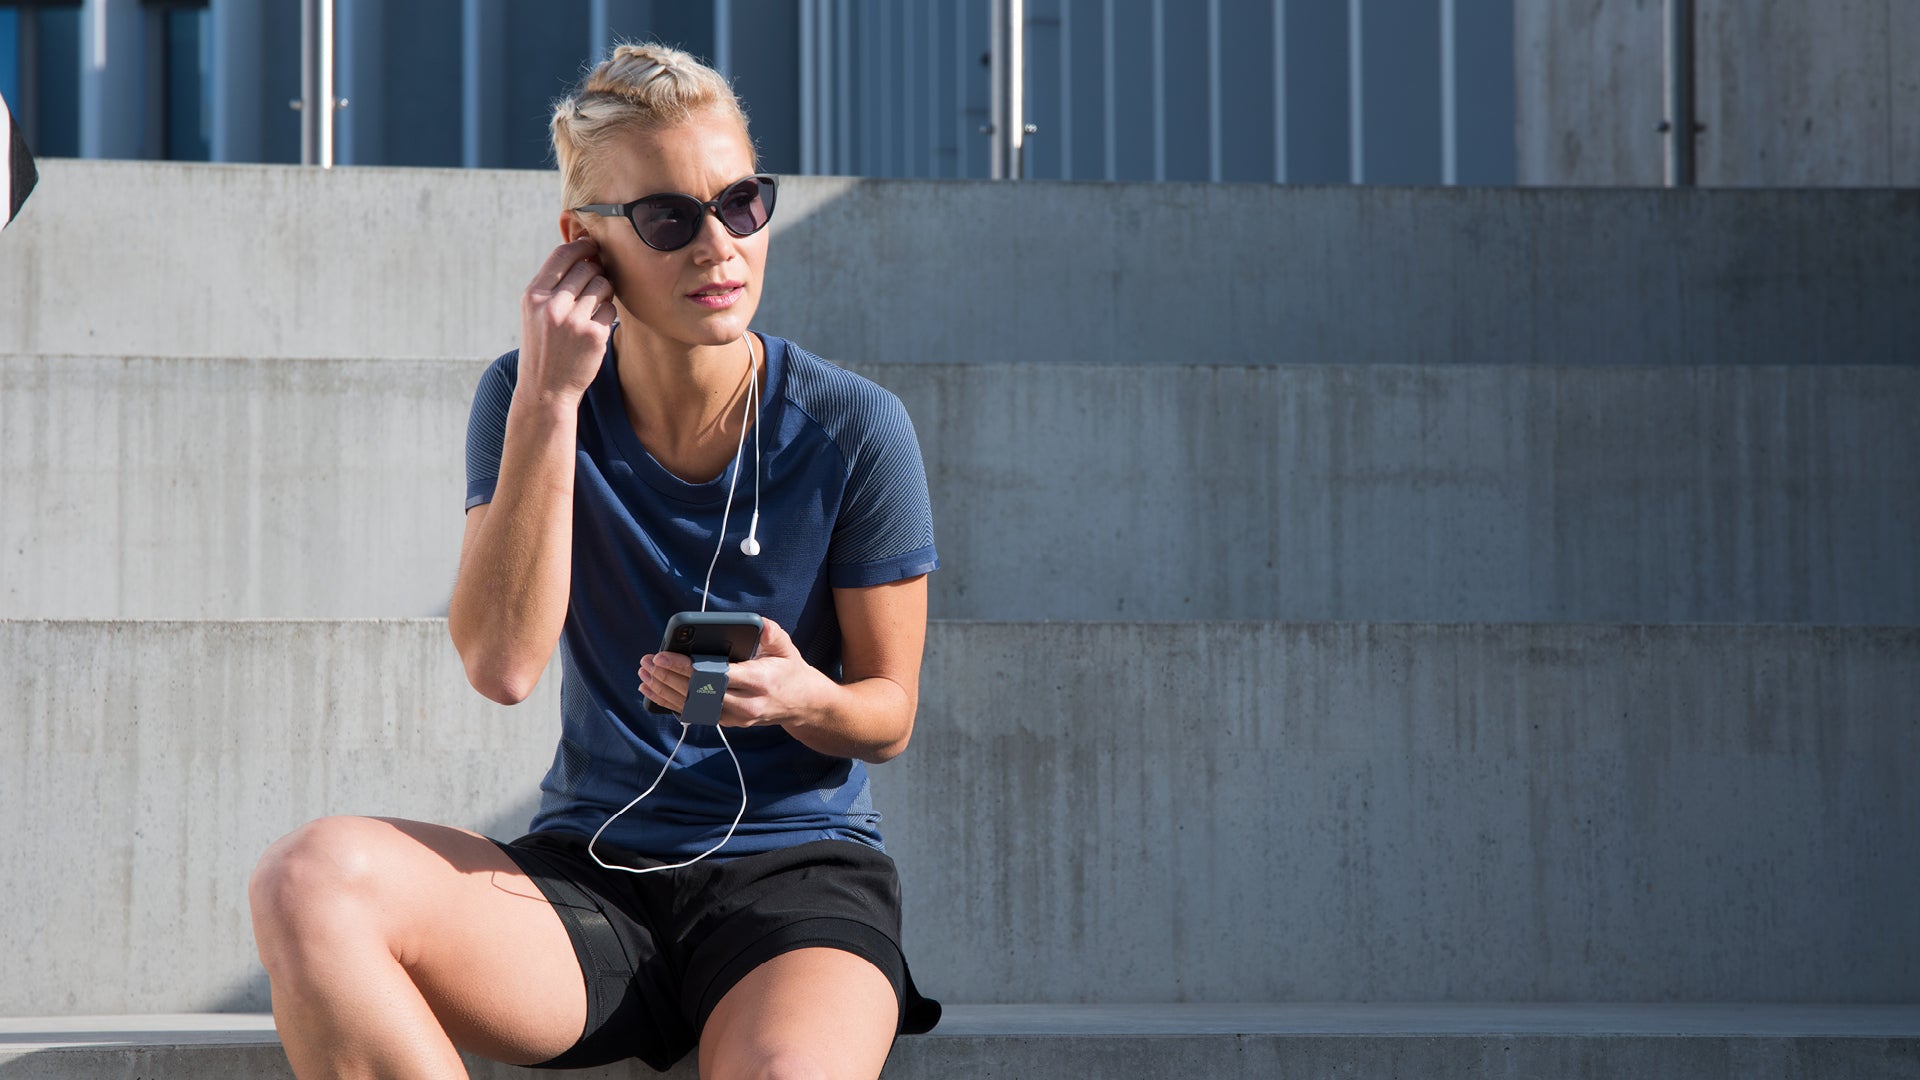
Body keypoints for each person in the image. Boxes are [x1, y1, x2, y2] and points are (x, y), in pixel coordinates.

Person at [248, 42, 941, 1079]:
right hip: (594, 880)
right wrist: (552, 396)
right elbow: (502, 665)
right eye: (668, 218)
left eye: (742, 203)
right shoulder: (531, 402)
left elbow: (889, 713)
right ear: (584, 243)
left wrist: (799, 696)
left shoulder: (852, 427)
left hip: (798, 879)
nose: (719, 246)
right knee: (307, 879)